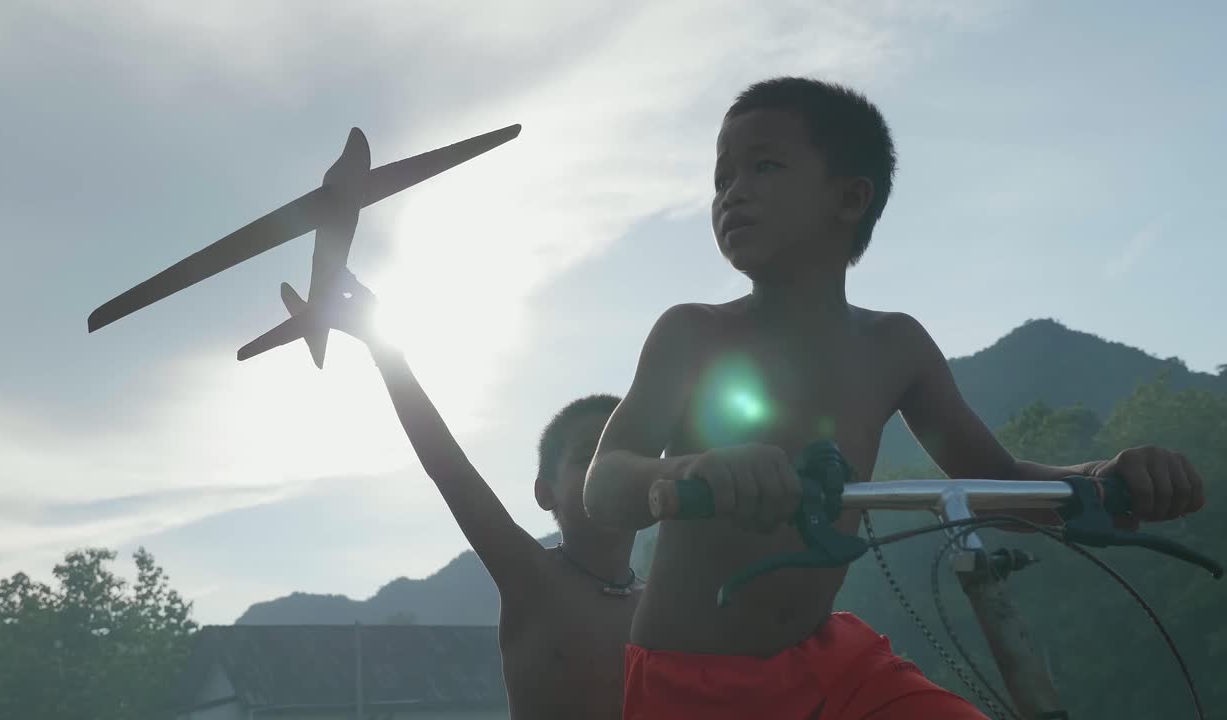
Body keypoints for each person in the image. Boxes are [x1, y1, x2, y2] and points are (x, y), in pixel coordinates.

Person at [582, 76, 1206, 720]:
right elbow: (603, 487)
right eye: (721, 178)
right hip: (693, 680)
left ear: (850, 199)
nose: (732, 193)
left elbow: (995, 481)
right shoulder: (692, 333)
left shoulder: (896, 346)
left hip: (834, 665)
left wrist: (1104, 478)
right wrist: (689, 468)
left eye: (762, 166)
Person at [324, 270, 641, 720]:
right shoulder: (531, 578)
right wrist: (385, 350)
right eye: (589, 456)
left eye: (629, 454)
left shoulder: (661, 601)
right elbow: (450, 470)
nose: (608, 470)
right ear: (545, 493)